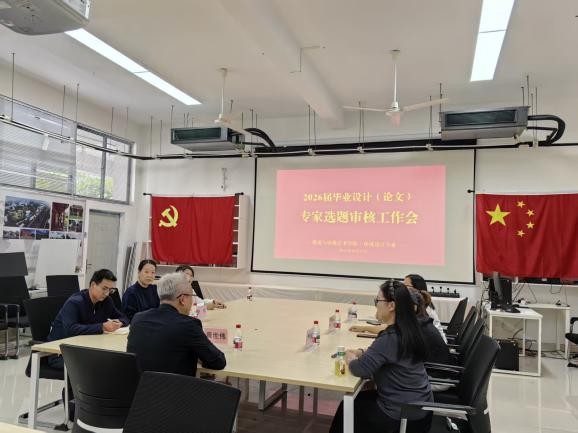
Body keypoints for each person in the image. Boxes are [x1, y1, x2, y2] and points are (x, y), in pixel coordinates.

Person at [330, 280, 432, 433]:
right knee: (356, 401)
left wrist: (349, 357)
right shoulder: (408, 330)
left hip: (401, 414)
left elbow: (360, 369)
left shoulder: (390, 338)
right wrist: (361, 352)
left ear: (391, 306)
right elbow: (385, 354)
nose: (376, 305)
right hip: (418, 408)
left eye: (377, 300)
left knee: (348, 407)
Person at [127, 272, 226, 376]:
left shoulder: (138, 319)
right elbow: (218, 362)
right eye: (192, 296)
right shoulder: (189, 325)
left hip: (140, 385)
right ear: (182, 299)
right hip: (176, 386)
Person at [47, 269, 129, 368]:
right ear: (93, 285)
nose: (107, 293)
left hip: (85, 349)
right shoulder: (75, 302)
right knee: (100, 366)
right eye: (104, 288)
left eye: (110, 290)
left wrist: (120, 322)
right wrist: (102, 327)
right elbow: (70, 329)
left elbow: (124, 317)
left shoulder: (106, 301)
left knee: (116, 361)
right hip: (61, 352)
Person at [404, 274, 447, 343]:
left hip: (435, 344)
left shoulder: (424, 308)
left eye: (405, 286)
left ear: (416, 288)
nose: (402, 289)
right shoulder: (422, 303)